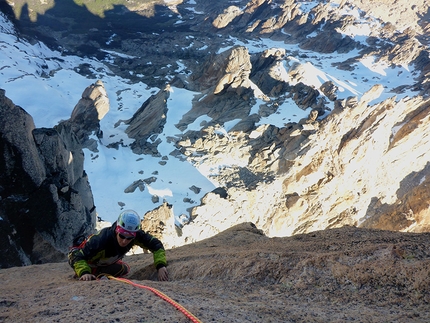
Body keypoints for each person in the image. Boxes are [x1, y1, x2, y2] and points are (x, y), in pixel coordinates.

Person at [68, 209, 168, 281]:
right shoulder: (101, 239)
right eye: (122, 236)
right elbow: (77, 257)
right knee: (120, 269)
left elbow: (156, 245)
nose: (125, 241)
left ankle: (97, 272)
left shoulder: (137, 235)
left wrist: (160, 265)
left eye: (129, 238)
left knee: (123, 269)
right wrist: (84, 272)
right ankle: (92, 271)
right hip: (87, 259)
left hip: (102, 262)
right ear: (117, 231)